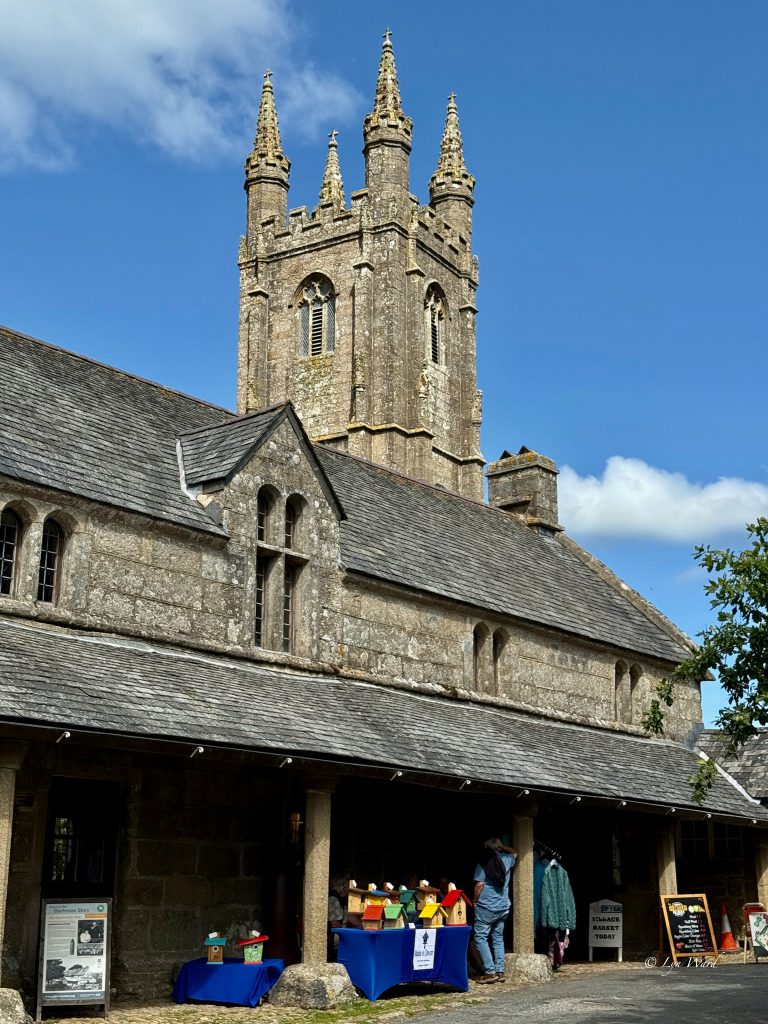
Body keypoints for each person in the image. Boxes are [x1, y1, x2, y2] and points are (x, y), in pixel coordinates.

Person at [473, 836, 517, 983]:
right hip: (503, 905)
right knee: (498, 937)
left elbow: (479, 885)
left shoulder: (483, 863)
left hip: (486, 906)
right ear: (498, 848)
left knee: (481, 937)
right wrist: (502, 846)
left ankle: (490, 972)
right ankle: (500, 971)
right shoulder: (506, 859)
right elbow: (515, 853)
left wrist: (474, 900)